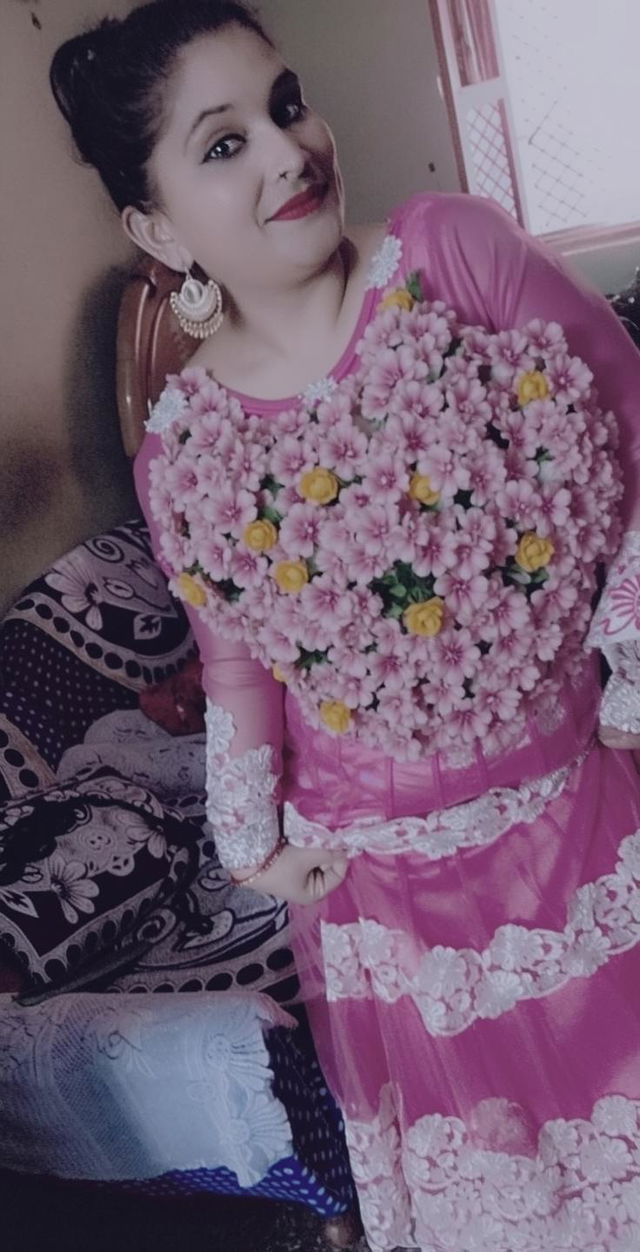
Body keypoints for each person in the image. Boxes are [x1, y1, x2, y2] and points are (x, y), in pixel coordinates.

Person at [51, 3, 640, 1248]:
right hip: (382, 893)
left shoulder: (449, 254)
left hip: (572, 813)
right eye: (222, 146)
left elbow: (627, 421)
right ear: (154, 226)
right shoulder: (187, 445)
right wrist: (251, 842)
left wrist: (633, 674)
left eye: (284, 103)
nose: (286, 150)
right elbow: (237, 666)